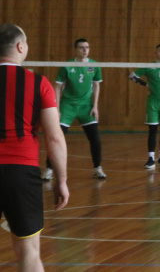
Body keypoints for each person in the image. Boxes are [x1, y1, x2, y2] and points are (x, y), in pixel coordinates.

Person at [0, 23, 69, 271]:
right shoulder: (39, 83)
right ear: (20, 46)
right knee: (28, 251)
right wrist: (61, 179)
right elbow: (54, 138)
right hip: (22, 172)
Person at [42, 38, 105, 181]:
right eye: (82, 47)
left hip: (85, 106)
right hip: (67, 105)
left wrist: (95, 106)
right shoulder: (67, 66)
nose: (85, 50)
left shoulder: (95, 65)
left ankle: (97, 168)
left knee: (95, 138)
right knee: (56, 137)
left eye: (87, 47)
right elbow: (57, 87)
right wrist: (56, 108)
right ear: (76, 49)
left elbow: (96, 86)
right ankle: (49, 170)